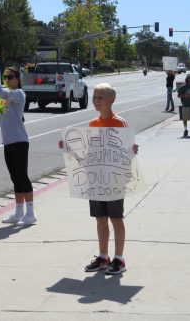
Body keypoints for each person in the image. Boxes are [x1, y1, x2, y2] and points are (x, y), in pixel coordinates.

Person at [59, 83, 139, 275]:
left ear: (111, 100)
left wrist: (131, 152)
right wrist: (69, 147)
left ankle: (119, 259)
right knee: (100, 218)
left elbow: (126, 151)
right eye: (94, 97)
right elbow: (90, 154)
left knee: (116, 218)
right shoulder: (93, 124)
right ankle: (104, 256)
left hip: (114, 177)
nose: (96, 101)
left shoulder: (119, 123)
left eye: (100, 97)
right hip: (97, 178)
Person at [0, 65, 36, 225]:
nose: (7, 80)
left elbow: (2, 92)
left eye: (10, 77)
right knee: (15, 178)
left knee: (22, 177)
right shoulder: (5, 97)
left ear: (18, 80)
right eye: (5, 77)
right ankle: (19, 212)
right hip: (8, 141)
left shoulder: (19, 93)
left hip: (20, 141)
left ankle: (30, 213)